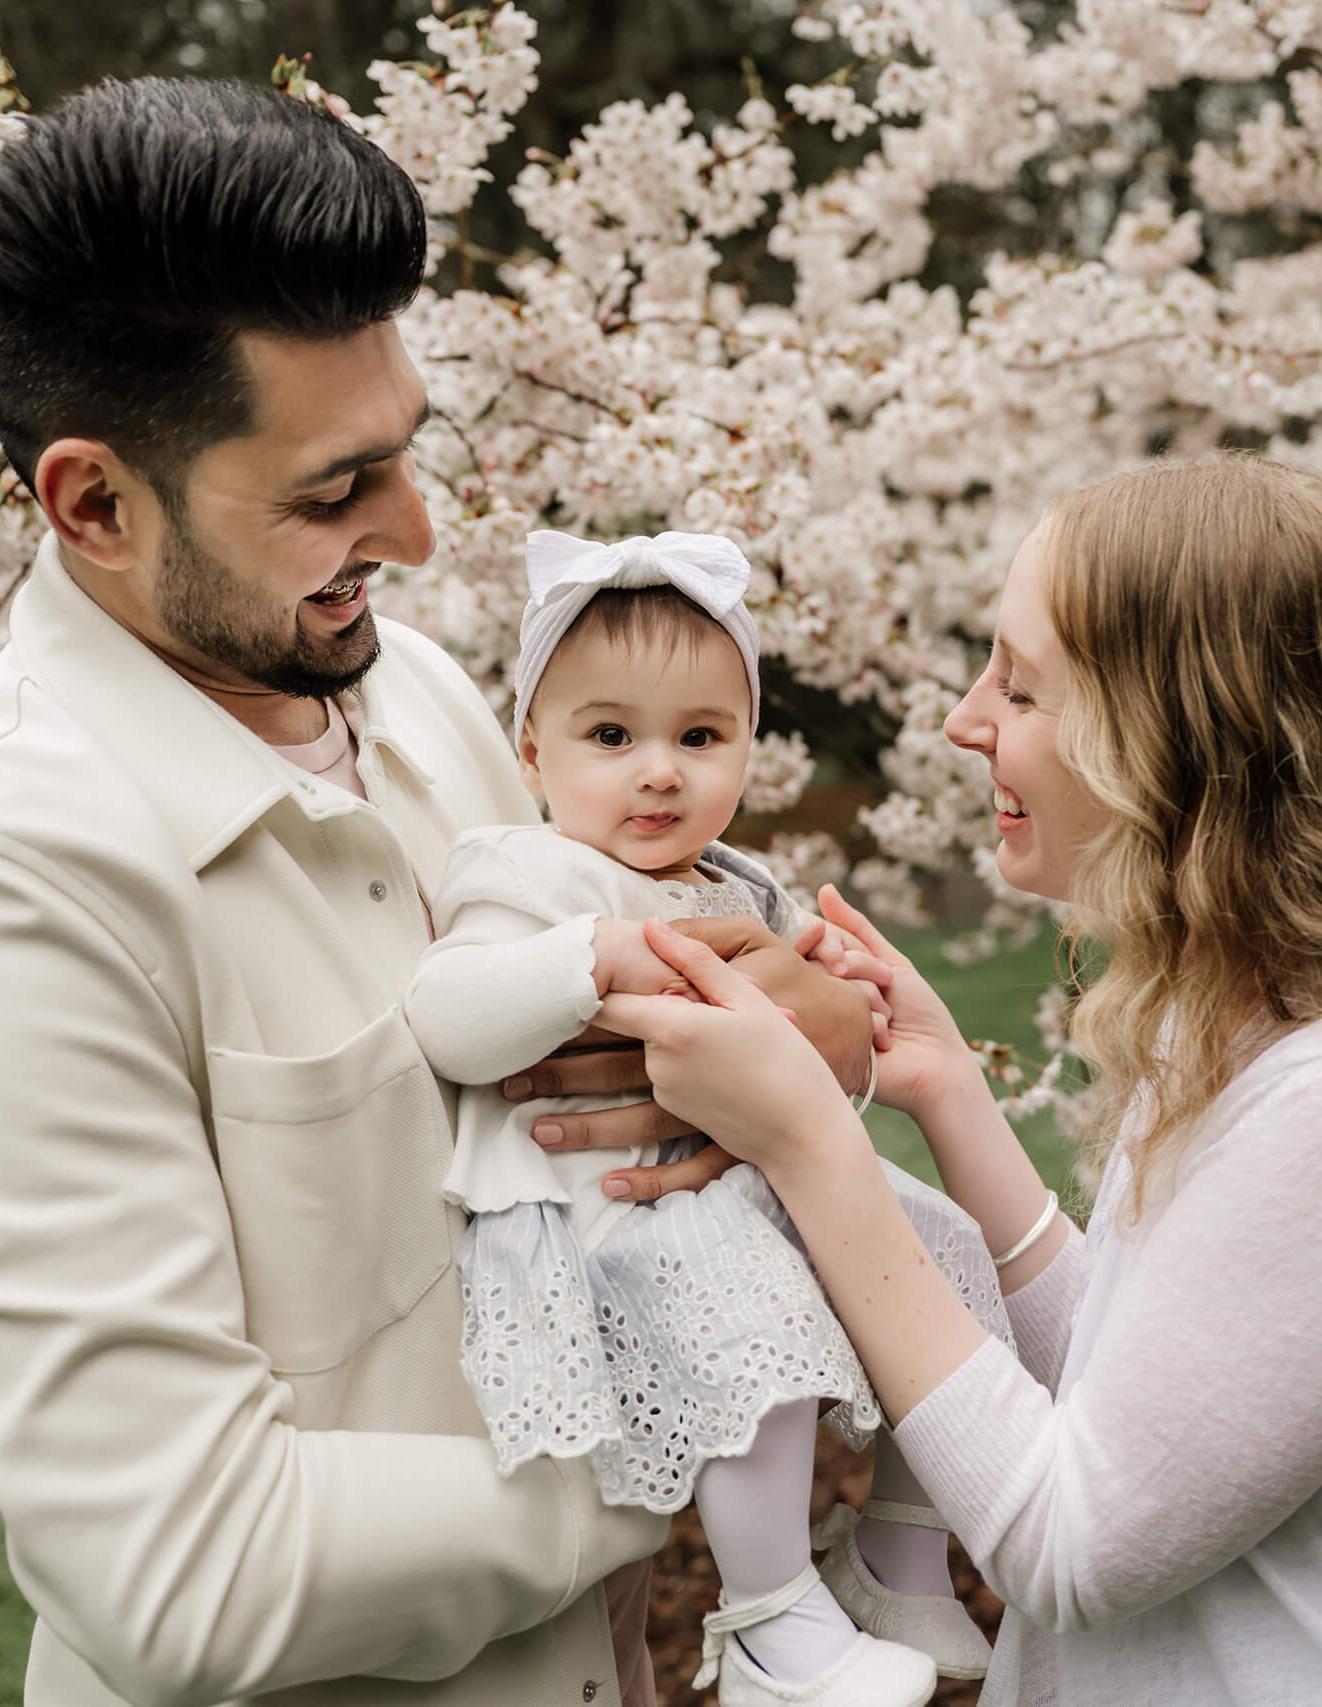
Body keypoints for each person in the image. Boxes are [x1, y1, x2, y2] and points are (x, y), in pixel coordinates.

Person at [0, 79, 868, 1707]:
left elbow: (654, 1009)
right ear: (94, 503)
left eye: (405, 453)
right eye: (333, 493)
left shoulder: (431, 697)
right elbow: (196, 1570)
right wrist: (732, 1409)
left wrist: (788, 1035)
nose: (415, 527)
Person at [590, 456, 1322, 1704]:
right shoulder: (1250, 1022)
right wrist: (945, 1095)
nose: (964, 718)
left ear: (1184, 738)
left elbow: (1076, 1541)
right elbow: (1151, 1398)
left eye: (1023, 684)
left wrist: (810, 1151)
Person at [400, 528, 1013, 1707]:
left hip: (753, 1181)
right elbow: (448, 1015)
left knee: (944, 1248)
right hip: (606, 1210)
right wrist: (598, 953)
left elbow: (806, 1033)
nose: (660, 773)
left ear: (747, 747)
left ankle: (901, 1550)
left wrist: (823, 983)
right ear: (534, 749)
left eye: (700, 737)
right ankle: (772, 1622)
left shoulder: (734, 885)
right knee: (756, 1337)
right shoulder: (528, 876)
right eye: (611, 737)